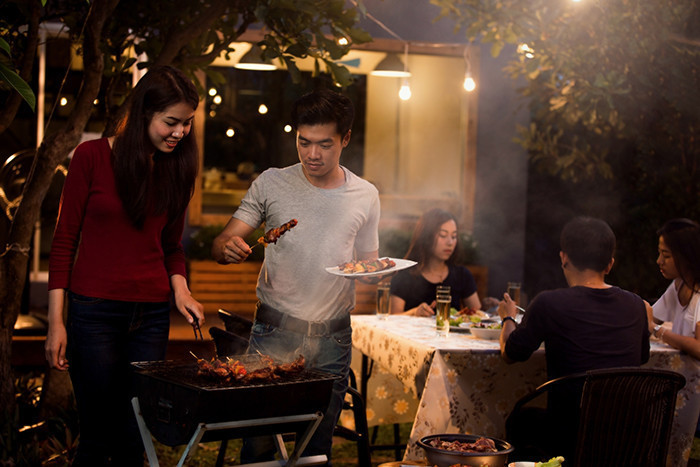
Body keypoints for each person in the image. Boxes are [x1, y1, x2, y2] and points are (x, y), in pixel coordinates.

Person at [44, 66, 205, 466]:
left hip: (150, 315)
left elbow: (171, 246)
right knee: (99, 435)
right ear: (143, 113)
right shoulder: (91, 157)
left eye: (186, 123)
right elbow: (64, 241)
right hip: (94, 312)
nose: (180, 132)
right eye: (171, 122)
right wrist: (56, 321)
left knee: (137, 434)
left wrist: (181, 291)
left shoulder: (178, 167)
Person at [211, 88, 382, 464]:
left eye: (324, 144)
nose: (312, 155)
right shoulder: (271, 182)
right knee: (257, 445)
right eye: (304, 142)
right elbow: (224, 240)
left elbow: (370, 264)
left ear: (346, 139)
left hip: (332, 339)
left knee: (316, 449)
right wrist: (226, 247)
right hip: (273, 331)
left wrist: (374, 275)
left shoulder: (365, 195)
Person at [497, 216, 650, 461]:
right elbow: (641, 359)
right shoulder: (636, 304)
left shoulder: (549, 302)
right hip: (629, 434)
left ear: (563, 257)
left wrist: (508, 318)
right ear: (610, 265)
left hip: (570, 433)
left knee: (520, 419)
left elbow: (511, 354)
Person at [390, 208, 481, 316]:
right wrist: (414, 312)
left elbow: (478, 315)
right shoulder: (405, 275)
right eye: (443, 235)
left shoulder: (462, 275)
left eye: (454, 236)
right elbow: (393, 318)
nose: (450, 242)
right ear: (426, 237)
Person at [648, 218, 700, 360]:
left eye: (666, 255)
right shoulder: (678, 285)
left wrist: (657, 330)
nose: (659, 261)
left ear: (687, 257)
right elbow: (650, 318)